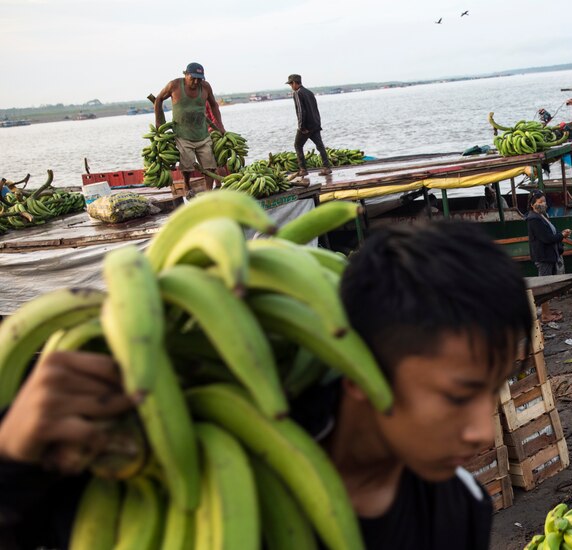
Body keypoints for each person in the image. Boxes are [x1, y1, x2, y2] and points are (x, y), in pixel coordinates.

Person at [0, 221, 533, 549]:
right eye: (457, 396)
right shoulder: (163, 477)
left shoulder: (460, 512)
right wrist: (12, 460)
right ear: (357, 369)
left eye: (499, 387)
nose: (482, 433)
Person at [154, 62, 225, 196]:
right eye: (193, 78)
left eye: (199, 78)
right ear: (186, 75)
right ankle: (187, 186)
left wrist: (219, 125)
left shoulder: (205, 87)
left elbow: (214, 105)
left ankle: (209, 192)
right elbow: (158, 99)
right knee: (187, 165)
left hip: (202, 133)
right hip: (182, 134)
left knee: (209, 164)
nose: (196, 81)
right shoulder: (174, 85)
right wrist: (159, 122)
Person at [525, 189, 572, 322]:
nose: (543, 204)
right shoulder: (533, 219)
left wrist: (560, 234)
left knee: (548, 283)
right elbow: (546, 238)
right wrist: (562, 235)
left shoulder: (542, 215)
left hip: (549, 255)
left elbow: (551, 233)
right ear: (532, 204)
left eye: (544, 201)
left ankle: (547, 310)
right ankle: (545, 315)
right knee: (544, 285)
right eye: (540, 202)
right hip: (543, 256)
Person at [287, 74, 333, 178]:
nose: (291, 86)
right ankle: (327, 167)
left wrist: (301, 127)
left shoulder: (297, 93)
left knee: (298, 145)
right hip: (315, 124)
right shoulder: (309, 92)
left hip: (306, 126)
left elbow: (300, 111)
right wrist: (317, 123)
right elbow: (315, 109)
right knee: (320, 146)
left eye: (291, 84)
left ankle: (303, 170)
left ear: (294, 83)